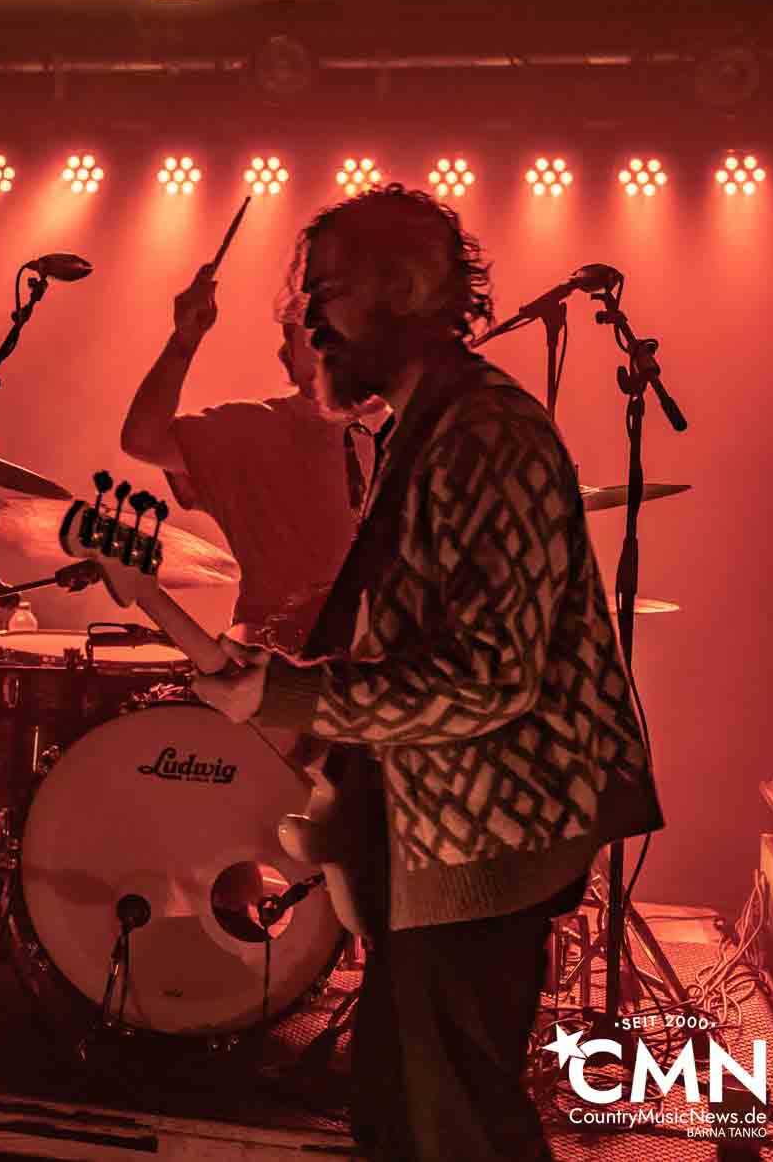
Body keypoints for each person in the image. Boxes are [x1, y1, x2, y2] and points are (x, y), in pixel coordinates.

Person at [191, 186, 664, 1162]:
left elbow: (489, 676)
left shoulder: (484, 434)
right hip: (441, 836)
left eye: (325, 289)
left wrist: (292, 694)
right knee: (398, 1115)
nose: (307, 316)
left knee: (455, 1128)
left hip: (489, 839)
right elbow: (411, 641)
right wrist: (295, 681)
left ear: (402, 290)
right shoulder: (417, 430)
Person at [119, 258, 379, 648]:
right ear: (288, 356)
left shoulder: (408, 430)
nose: (332, 345)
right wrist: (184, 341)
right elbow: (142, 440)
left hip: (381, 666)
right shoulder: (249, 430)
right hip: (269, 658)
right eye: (316, 334)